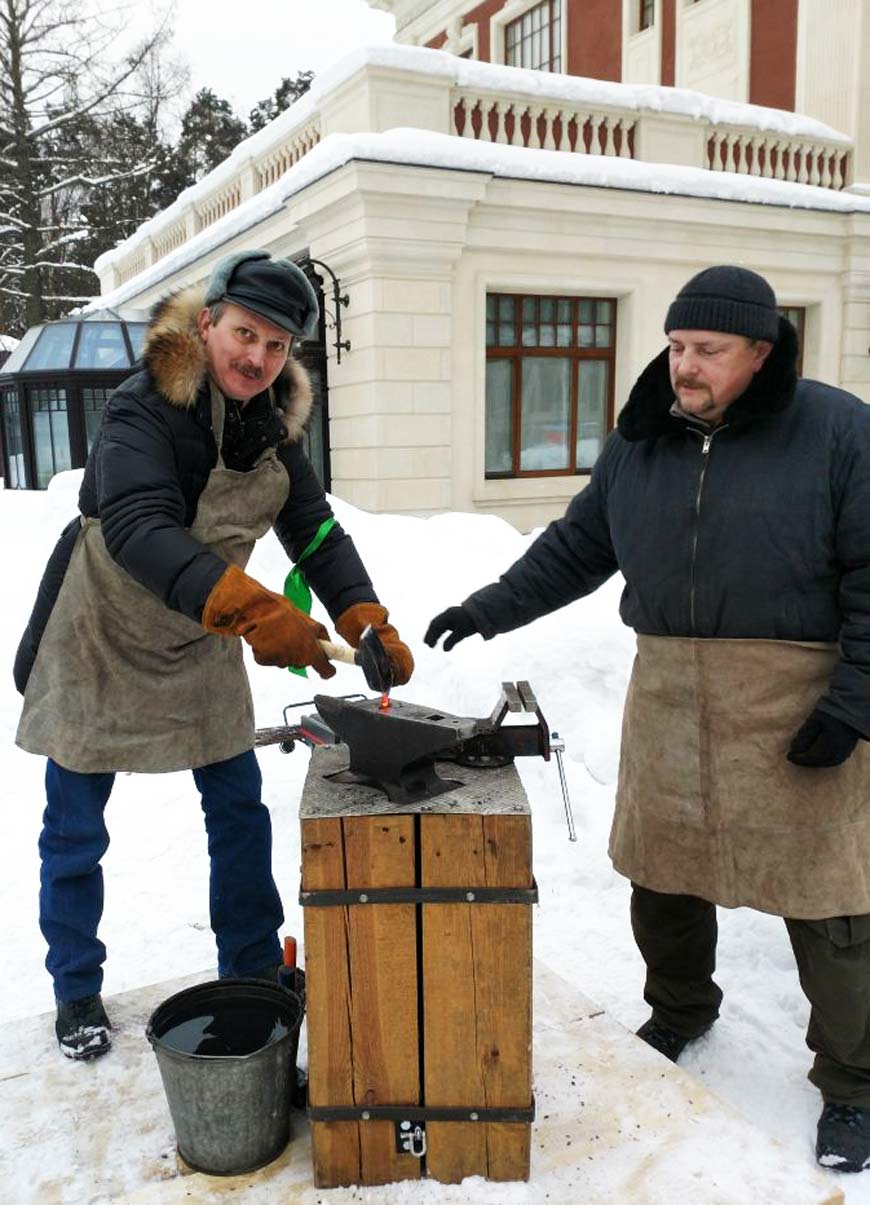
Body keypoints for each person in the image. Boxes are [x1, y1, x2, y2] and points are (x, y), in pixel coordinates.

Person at [425, 265, 870, 1174]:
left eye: (707, 350)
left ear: (761, 349)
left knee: (829, 901)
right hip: (670, 691)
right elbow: (581, 544)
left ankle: (856, 1084)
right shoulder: (642, 441)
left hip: (795, 698)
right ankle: (679, 1008)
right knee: (663, 872)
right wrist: (489, 607)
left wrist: (854, 705)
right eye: (675, 347)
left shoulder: (840, 433)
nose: (685, 366)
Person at [15, 249, 413, 1062]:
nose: (256, 358)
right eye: (244, 335)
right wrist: (258, 608)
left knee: (236, 807)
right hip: (103, 632)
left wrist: (366, 617)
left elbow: (318, 532)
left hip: (201, 633)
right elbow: (138, 528)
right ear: (207, 324)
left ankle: (254, 964)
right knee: (75, 829)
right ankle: (76, 989)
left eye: (275, 346)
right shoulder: (141, 410)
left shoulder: (274, 426)